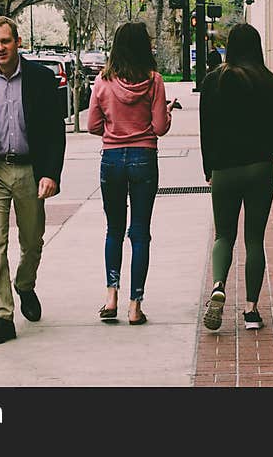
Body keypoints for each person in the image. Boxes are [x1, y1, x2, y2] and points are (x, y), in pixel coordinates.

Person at [0, 16, 65, 346]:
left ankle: (25, 284)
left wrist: (51, 173)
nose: (0, 48)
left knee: (32, 241)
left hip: (31, 170)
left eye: (5, 41)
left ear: (18, 42)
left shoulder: (41, 78)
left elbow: (54, 132)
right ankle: (3, 316)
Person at [199, 23, 273, 332]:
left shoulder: (213, 82)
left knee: (224, 235)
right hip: (260, 168)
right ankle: (251, 311)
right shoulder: (269, 82)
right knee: (254, 239)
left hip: (224, 168)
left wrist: (208, 167)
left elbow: (206, 129)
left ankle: (218, 285)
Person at [88, 22, 175, 325]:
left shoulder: (102, 81)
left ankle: (110, 296)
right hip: (143, 158)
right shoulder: (154, 81)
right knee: (140, 233)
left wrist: (114, 128)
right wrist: (167, 114)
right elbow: (160, 127)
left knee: (114, 229)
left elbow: (92, 126)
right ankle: (134, 305)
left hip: (111, 159)